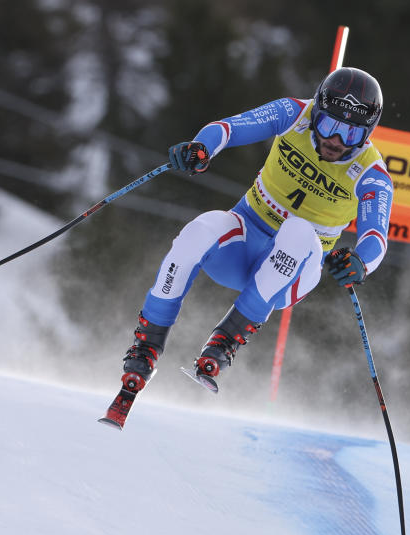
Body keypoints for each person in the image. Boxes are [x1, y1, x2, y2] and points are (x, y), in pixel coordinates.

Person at [105, 67, 393, 424]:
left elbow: (376, 237)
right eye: (330, 125)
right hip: (242, 246)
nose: (336, 140)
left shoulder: (371, 171)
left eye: (351, 132)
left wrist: (360, 262)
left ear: (367, 134)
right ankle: (146, 347)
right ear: (316, 112)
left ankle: (224, 342)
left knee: (300, 231)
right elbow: (227, 128)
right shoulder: (294, 115)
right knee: (201, 227)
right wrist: (201, 148)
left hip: (292, 271)